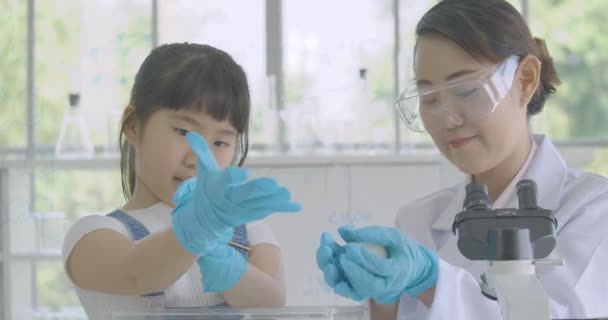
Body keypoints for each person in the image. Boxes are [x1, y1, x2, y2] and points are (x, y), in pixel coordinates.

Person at [316, 0, 608, 319]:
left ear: (525, 79)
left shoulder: (592, 210)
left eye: (467, 91)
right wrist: (381, 295)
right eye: (429, 98)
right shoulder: (419, 222)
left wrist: (430, 282)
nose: (448, 119)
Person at [62, 43, 301, 320]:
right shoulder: (92, 234)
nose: (198, 157)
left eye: (221, 142)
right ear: (133, 125)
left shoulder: (249, 230)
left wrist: (228, 264)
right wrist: (198, 230)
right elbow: (137, 273)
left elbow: (271, 304)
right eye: (185, 132)